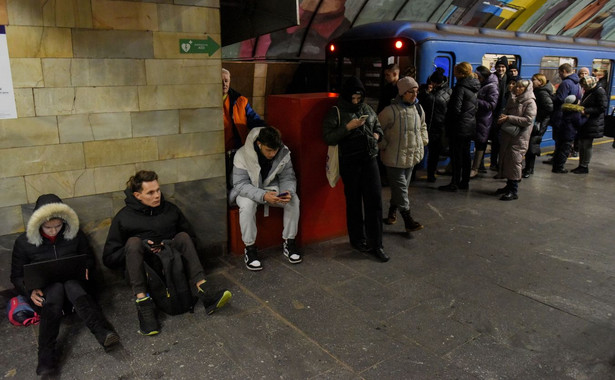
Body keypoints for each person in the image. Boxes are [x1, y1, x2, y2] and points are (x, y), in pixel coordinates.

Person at [103, 171, 232, 336]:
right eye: (150, 192)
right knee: (133, 242)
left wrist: (168, 244)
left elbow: (192, 240)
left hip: (172, 262)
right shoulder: (123, 218)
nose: (157, 195)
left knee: (183, 237)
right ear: (137, 195)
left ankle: (205, 291)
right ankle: (143, 304)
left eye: (158, 190)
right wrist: (141, 245)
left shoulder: (170, 210)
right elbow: (109, 258)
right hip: (145, 270)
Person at [11, 194, 119, 376]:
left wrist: (86, 268)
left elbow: (89, 259)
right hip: (47, 299)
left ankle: (103, 333)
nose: (53, 231)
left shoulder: (74, 234)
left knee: (69, 285)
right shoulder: (24, 242)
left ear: (63, 221)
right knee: (56, 290)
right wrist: (29, 290)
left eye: (58, 226)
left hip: (76, 292)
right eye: (48, 227)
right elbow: (16, 276)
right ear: (39, 224)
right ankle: (45, 356)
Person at [322, 76, 388, 262]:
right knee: (353, 201)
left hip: (370, 159)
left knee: (374, 201)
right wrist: (347, 127)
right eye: (353, 98)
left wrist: (377, 135)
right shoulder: (336, 112)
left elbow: (378, 126)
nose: (356, 101)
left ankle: (377, 244)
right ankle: (357, 239)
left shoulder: (366, 109)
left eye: (359, 97)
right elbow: (328, 137)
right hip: (349, 162)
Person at [228, 126, 302, 270]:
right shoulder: (242, 155)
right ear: (259, 144)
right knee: (247, 205)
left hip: (270, 188)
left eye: (275, 150)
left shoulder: (283, 152)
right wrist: (263, 196)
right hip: (247, 189)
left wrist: (288, 192)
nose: (272, 154)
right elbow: (240, 184)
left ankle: (290, 242)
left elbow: (288, 177)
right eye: (269, 150)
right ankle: (249, 249)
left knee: (293, 200)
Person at [378, 77, 428, 233]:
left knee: (401, 188)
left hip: (411, 156)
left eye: (416, 91)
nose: (414, 95)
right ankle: (408, 220)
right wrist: (384, 145)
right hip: (394, 157)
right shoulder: (390, 111)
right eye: (410, 92)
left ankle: (392, 213)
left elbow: (423, 126)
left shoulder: (418, 109)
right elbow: (376, 130)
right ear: (402, 93)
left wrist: (423, 140)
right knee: (401, 189)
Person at [438, 62, 480, 192]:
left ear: (461, 73)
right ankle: (464, 182)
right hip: (469, 126)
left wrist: (448, 123)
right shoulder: (474, 87)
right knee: (466, 155)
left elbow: (455, 110)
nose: (454, 73)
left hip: (458, 127)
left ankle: (454, 183)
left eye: (456, 71)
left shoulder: (460, 88)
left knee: (456, 156)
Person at [495, 79, 537, 200]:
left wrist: (509, 118)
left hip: (519, 137)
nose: (517, 89)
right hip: (508, 135)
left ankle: (513, 190)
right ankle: (508, 186)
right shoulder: (513, 99)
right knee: (507, 160)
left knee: (515, 162)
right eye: (516, 86)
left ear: (526, 89)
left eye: (520, 87)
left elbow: (528, 120)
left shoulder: (530, 103)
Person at [222, 68, 266, 152]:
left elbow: (254, 120)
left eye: (226, 81)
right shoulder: (206, 102)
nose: (224, 84)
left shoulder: (240, 101)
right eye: (221, 81)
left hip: (237, 149)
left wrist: (266, 130)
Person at [551, 63, 582, 173]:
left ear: (564, 71)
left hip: (563, 116)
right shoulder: (577, 83)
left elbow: (560, 99)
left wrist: (552, 96)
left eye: (559, 73)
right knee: (565, 142)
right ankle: (558, 164)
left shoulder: (566, 83)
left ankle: (558, 166)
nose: (559, 75)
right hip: (572, 116)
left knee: (562, 143)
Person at [572, 76, 607, 173]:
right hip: (586, 121)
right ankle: (581, 164)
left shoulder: (599, 92)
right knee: (581, 144)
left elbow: (602, 107)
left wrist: (586, 110)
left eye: (585, 86)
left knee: (586, 144)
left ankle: (584, 166)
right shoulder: (590, 90)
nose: (583, 88)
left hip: (592, 122)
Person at [471, 66, 499, 179]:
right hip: (476, 118)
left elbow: (491, 105)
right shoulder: (482, 85)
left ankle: (475, 169)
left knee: (480, 144)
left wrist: (475, 100)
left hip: (484, 120)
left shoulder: (492, 87)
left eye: (478, 76)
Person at [524, 73, 554, 178]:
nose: (532, 81)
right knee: (532, 145)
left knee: (532, 145)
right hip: (539, 122)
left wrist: (535, 114)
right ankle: (528, 167)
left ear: (540, 82)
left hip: (539, 124)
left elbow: (549, 108)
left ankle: (529, 169)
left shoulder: (542, 93)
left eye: (534, 80)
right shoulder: (540, 91)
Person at [489, 56, 509, 171]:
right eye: (499, 67)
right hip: (493, 113)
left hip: (503, 114)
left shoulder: (509, 79)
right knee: (493, 140)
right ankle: (492, 163)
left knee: (500, 140)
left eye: (503, 67)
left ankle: (499, 163)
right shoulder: (493, 78)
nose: (501, 69)